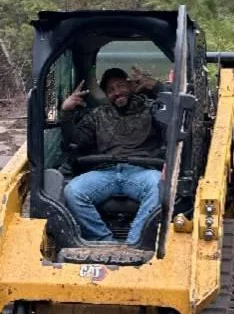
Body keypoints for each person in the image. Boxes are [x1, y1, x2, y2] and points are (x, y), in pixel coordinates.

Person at [61, 66, 164, 246]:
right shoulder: (98, 115)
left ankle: (135, 244)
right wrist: (67, 112)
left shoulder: (151, 109)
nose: (117, 92)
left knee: (160, 186)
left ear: (131, 86)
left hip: (142, 171)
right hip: (105, 172)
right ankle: (104, 243)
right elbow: (77, 141)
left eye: (120, 86)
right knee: (73, 191)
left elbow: (176, 115)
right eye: (110, 90)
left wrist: (156, 87)